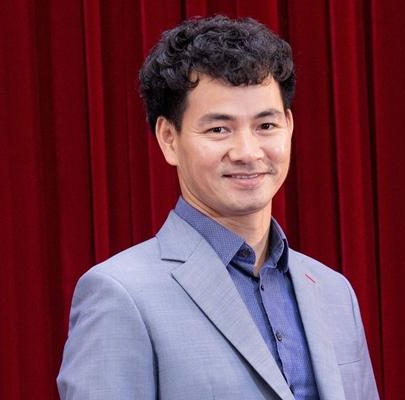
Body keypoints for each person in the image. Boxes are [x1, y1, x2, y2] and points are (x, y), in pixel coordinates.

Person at [57, 15, 379, 400]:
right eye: (218, 129)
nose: (247, 152)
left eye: (266, 126)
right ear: (169, 138)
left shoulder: (334, 292)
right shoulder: (120, 294)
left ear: (289, 126)